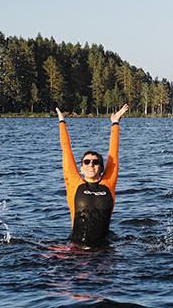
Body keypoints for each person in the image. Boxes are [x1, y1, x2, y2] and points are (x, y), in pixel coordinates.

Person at [55, 103, 129, 247]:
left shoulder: (108, 184)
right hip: (78, 246)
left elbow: (113, 153)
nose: (91, 165)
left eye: (95, 162)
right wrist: (62, 122)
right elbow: (66, 149)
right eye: (87, 162)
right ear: (81, 168)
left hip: (105, 247)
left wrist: (115, 123)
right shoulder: (75, 184)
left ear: (101, 168)